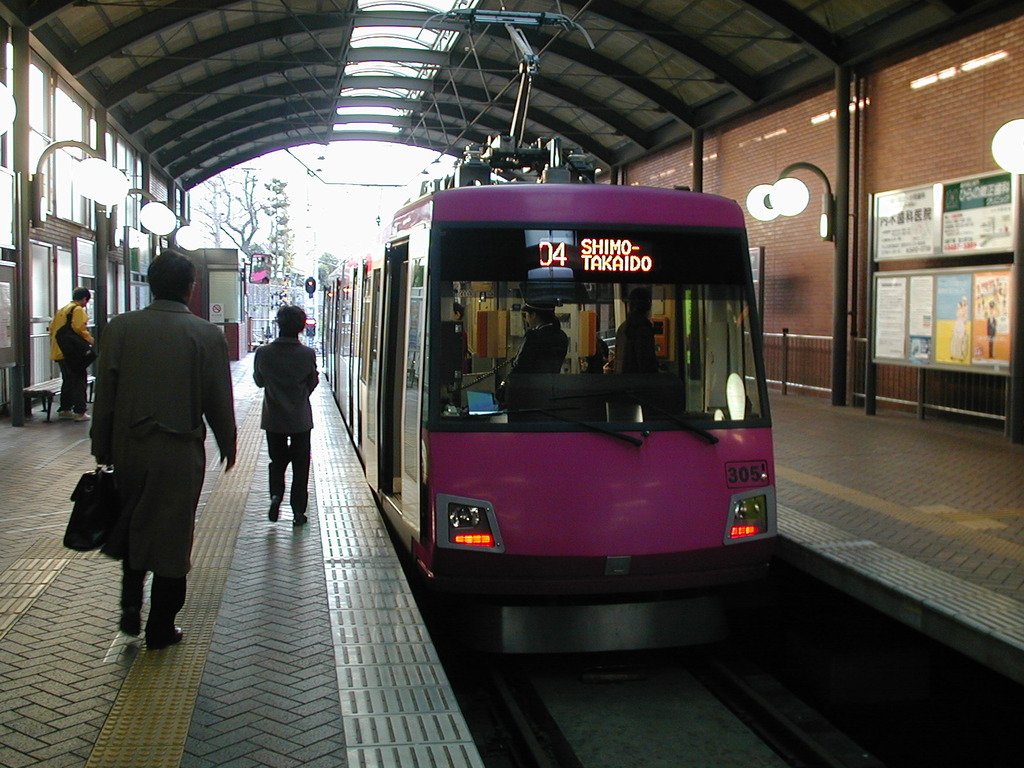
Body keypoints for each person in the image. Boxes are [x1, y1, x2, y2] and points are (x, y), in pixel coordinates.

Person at [91, 252, 237, 650]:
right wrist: (228, 443)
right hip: (179, 453)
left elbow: (105, 395)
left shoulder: (120, 329)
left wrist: (100, 444)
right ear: (190, 289)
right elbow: (218, 400)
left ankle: (130, 607)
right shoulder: (206, 335)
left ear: (152, 284)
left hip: (129, 450)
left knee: (134, 524)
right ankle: (161, 626)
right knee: (173, 538)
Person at [254, 305, 319, 527]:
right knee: (301, 466)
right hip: (300, 420)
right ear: (301, 328)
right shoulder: (307, 354)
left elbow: (259, 381)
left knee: (277, 461)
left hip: (274, 419)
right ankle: (298, 511)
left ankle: (275, 496)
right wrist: (300, 396)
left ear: (278, 324)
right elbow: (313, 381)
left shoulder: (263, 353)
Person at [48, 287, 94, 421]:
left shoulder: (62, 310)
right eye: (86, 301)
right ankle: (80, 412)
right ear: (84, 299)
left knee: (67, 380)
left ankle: (65, 409)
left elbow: (52, 329)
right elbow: (79, 328)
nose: (86, 304)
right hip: (71, 353)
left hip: (60, 351)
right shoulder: (77, 310)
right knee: (79, 379)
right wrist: (89, 339)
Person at [510, 304, 569, 374]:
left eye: (527, 315)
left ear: (533, 315)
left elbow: (521, 365)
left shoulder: (533, 336)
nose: (526, 320)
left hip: (532, 382)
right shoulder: (561, 335)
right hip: (553, 382)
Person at [613, 287, 659, 373]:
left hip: (622, 381)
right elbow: (647, 364)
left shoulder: (622, 328)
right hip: (638, 383)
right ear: (648, 306)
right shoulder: (643, 329)